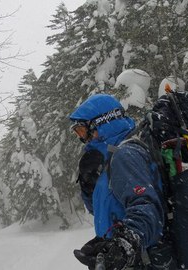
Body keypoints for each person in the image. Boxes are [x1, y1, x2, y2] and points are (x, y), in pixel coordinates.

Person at [70, 94, 170, 270]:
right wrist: (88, 186)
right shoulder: (111, 158)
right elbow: (106, 211)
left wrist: (123, 247)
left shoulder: (125, 155)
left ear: (100, 124)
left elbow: (147, 207)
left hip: (145, 262)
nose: (82, 139)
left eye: (82, 131)